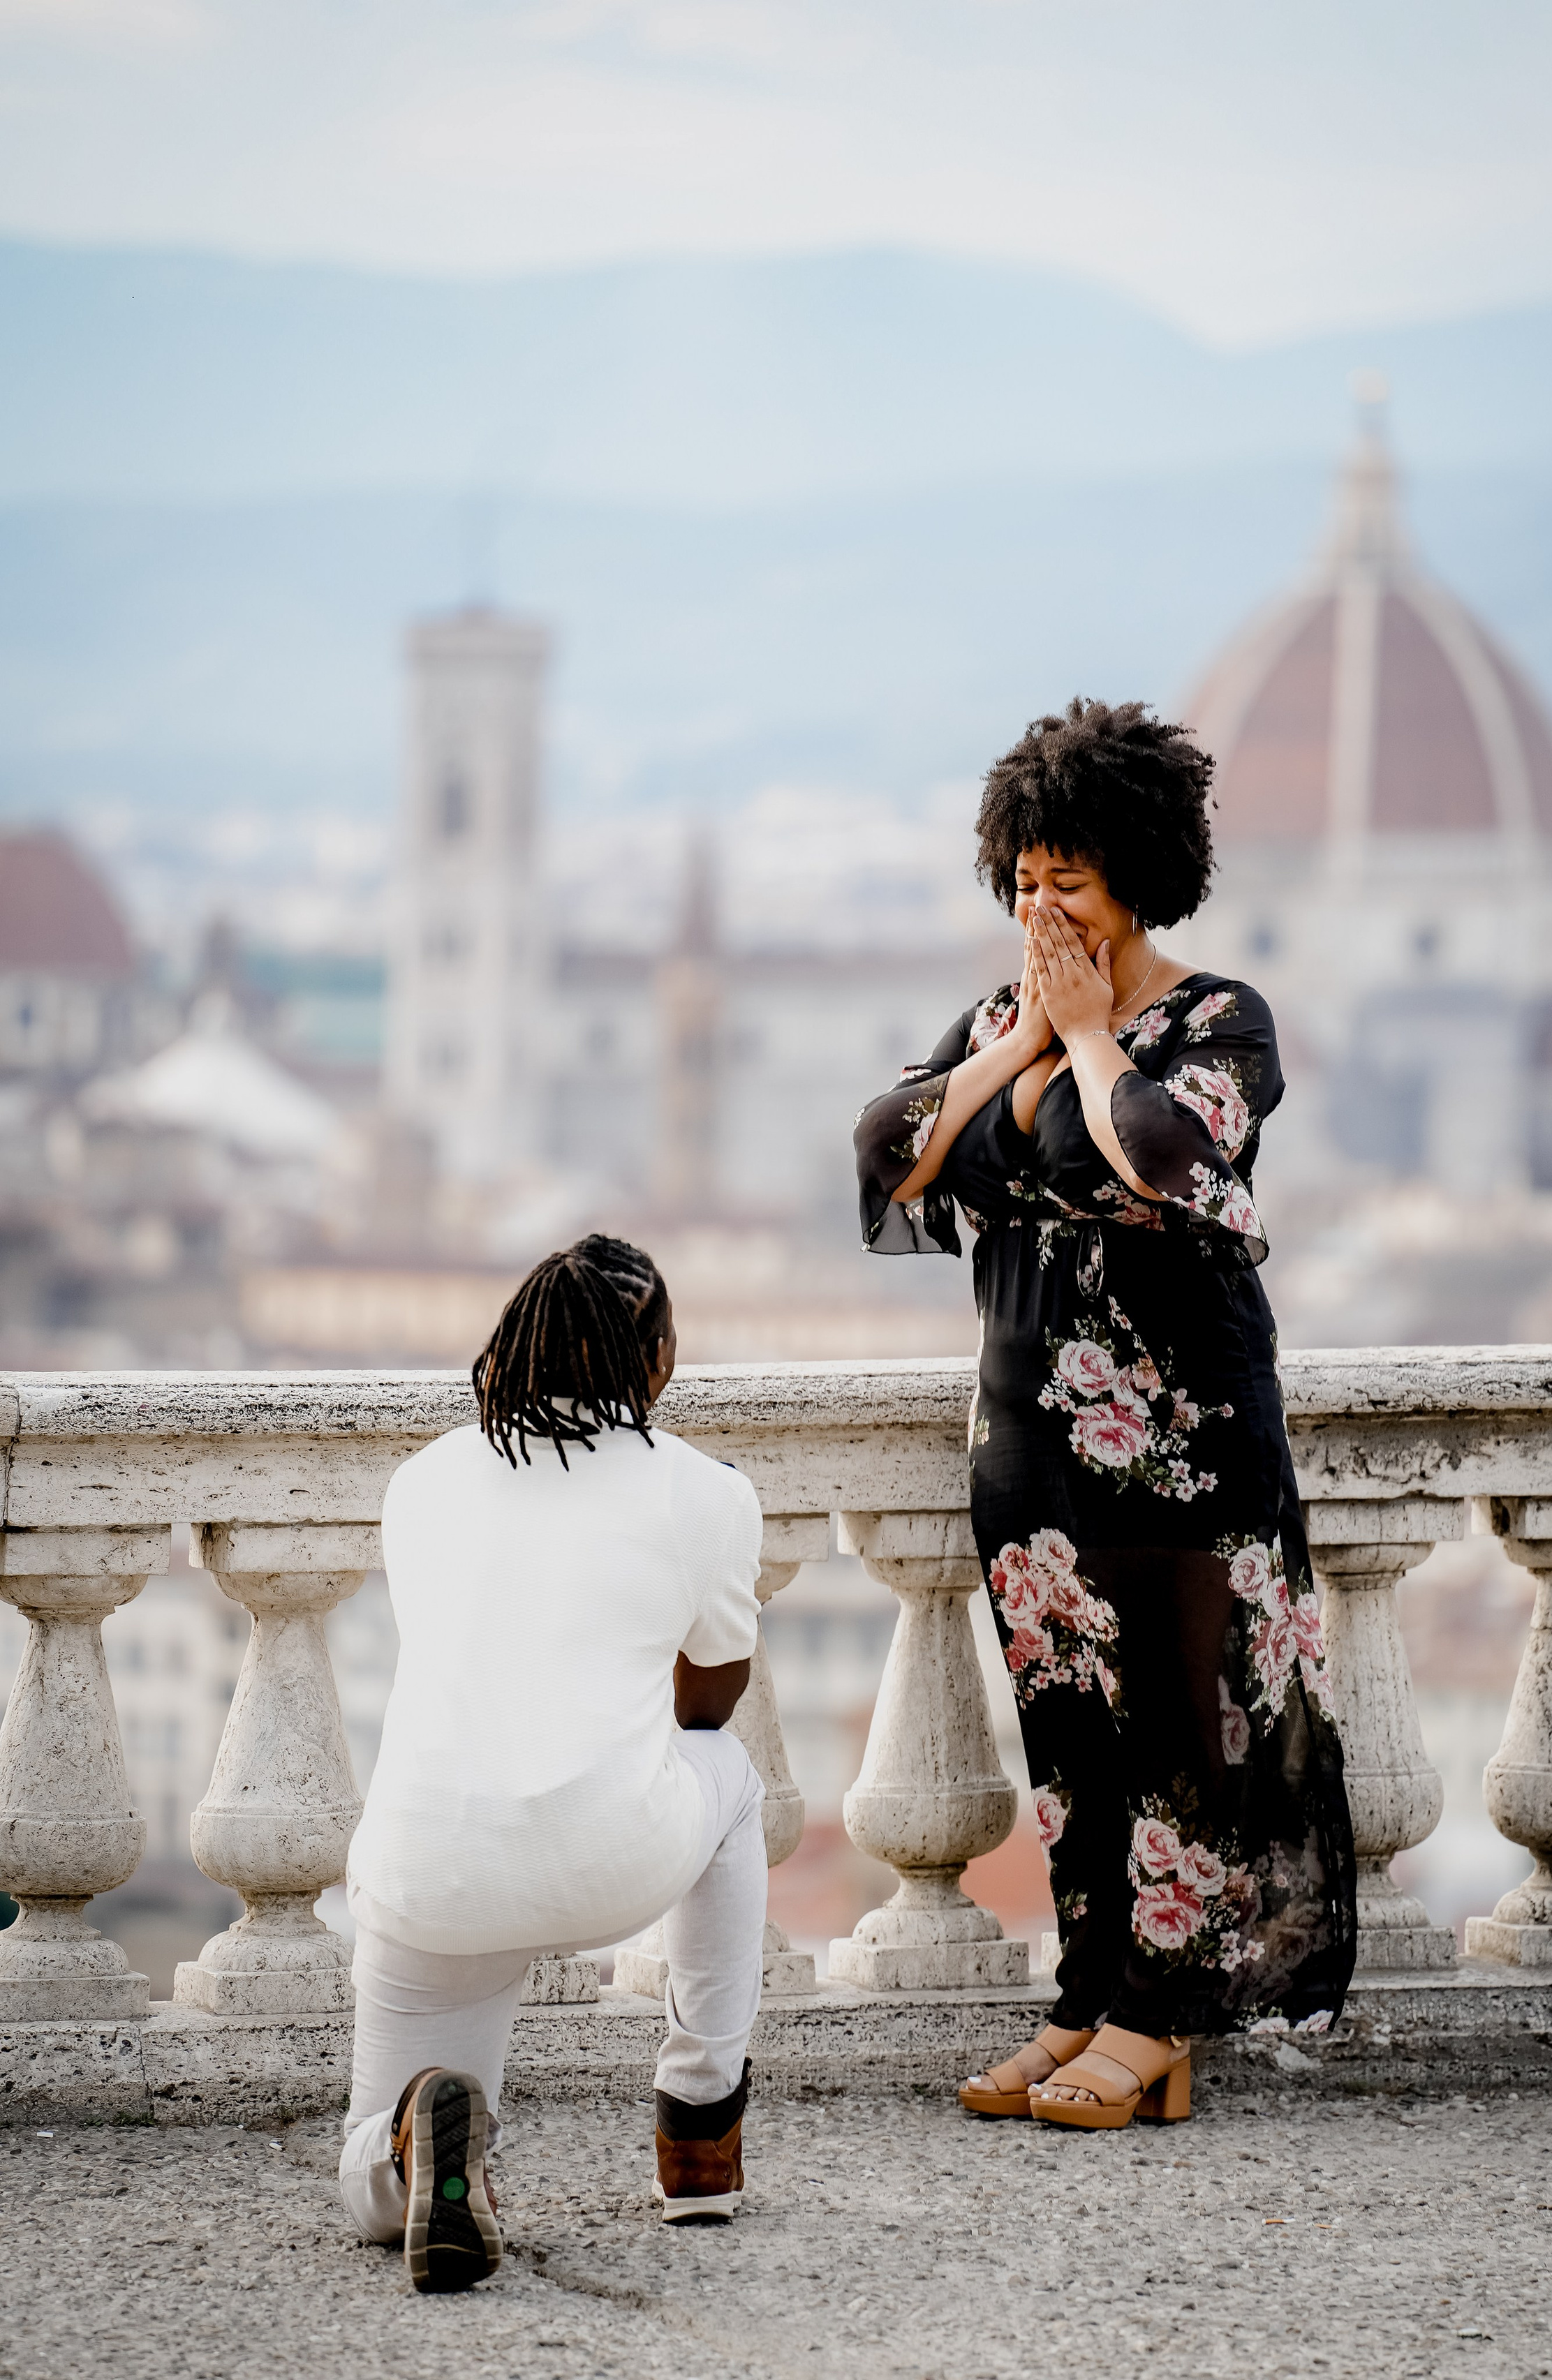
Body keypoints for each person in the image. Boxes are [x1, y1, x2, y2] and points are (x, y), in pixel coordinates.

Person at [854, 698, 1356, 2131]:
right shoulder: (994, 1022)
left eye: (1066, 879)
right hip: (1028, 1439)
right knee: (1070, 1732)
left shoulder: (1218, 1021)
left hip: (1180, 1434)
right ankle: (1088, 1995)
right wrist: (1020, 1043)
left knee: (1184, 1732)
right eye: (1021, 879)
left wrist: (1082, 1036)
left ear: (1138, 875)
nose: (1039, 907)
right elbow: (886, 1151)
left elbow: (1156, 1154)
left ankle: (1160, 2015)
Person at [336, 1235, 768, 2289]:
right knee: (731, 1778)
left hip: (435, 1870)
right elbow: (709, 1704)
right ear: (657, 1359)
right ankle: (698, 2131)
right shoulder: (704, 1493)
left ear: (514, 1342)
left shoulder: (423, 1479)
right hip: (612, 1855)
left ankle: (413, 2131)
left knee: (369, 2189)